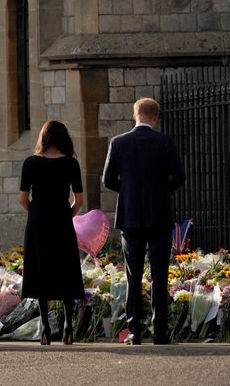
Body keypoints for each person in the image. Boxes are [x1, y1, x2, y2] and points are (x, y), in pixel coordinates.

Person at [102, 97, 185, 345]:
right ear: (156, 116)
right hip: (159, 215)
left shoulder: (118, 142)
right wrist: (162, 192)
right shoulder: (165, 141)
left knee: (133, 275)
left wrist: (127, 193)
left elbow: (108, 180)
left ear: (134, 115)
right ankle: (160, 332)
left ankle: (135, 331)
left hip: (130, 217)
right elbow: (179, 177)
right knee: (160, 275)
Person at [18, 120, 84, 346]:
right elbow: (79, 200)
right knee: (65, 267)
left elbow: (22, 198)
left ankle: (45, 327)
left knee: (40, 268)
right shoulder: (71, 164)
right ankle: (67, 325)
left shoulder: (30, 163)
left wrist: (36, 211)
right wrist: (68, 213)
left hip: (38, 220)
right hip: (61, 219)